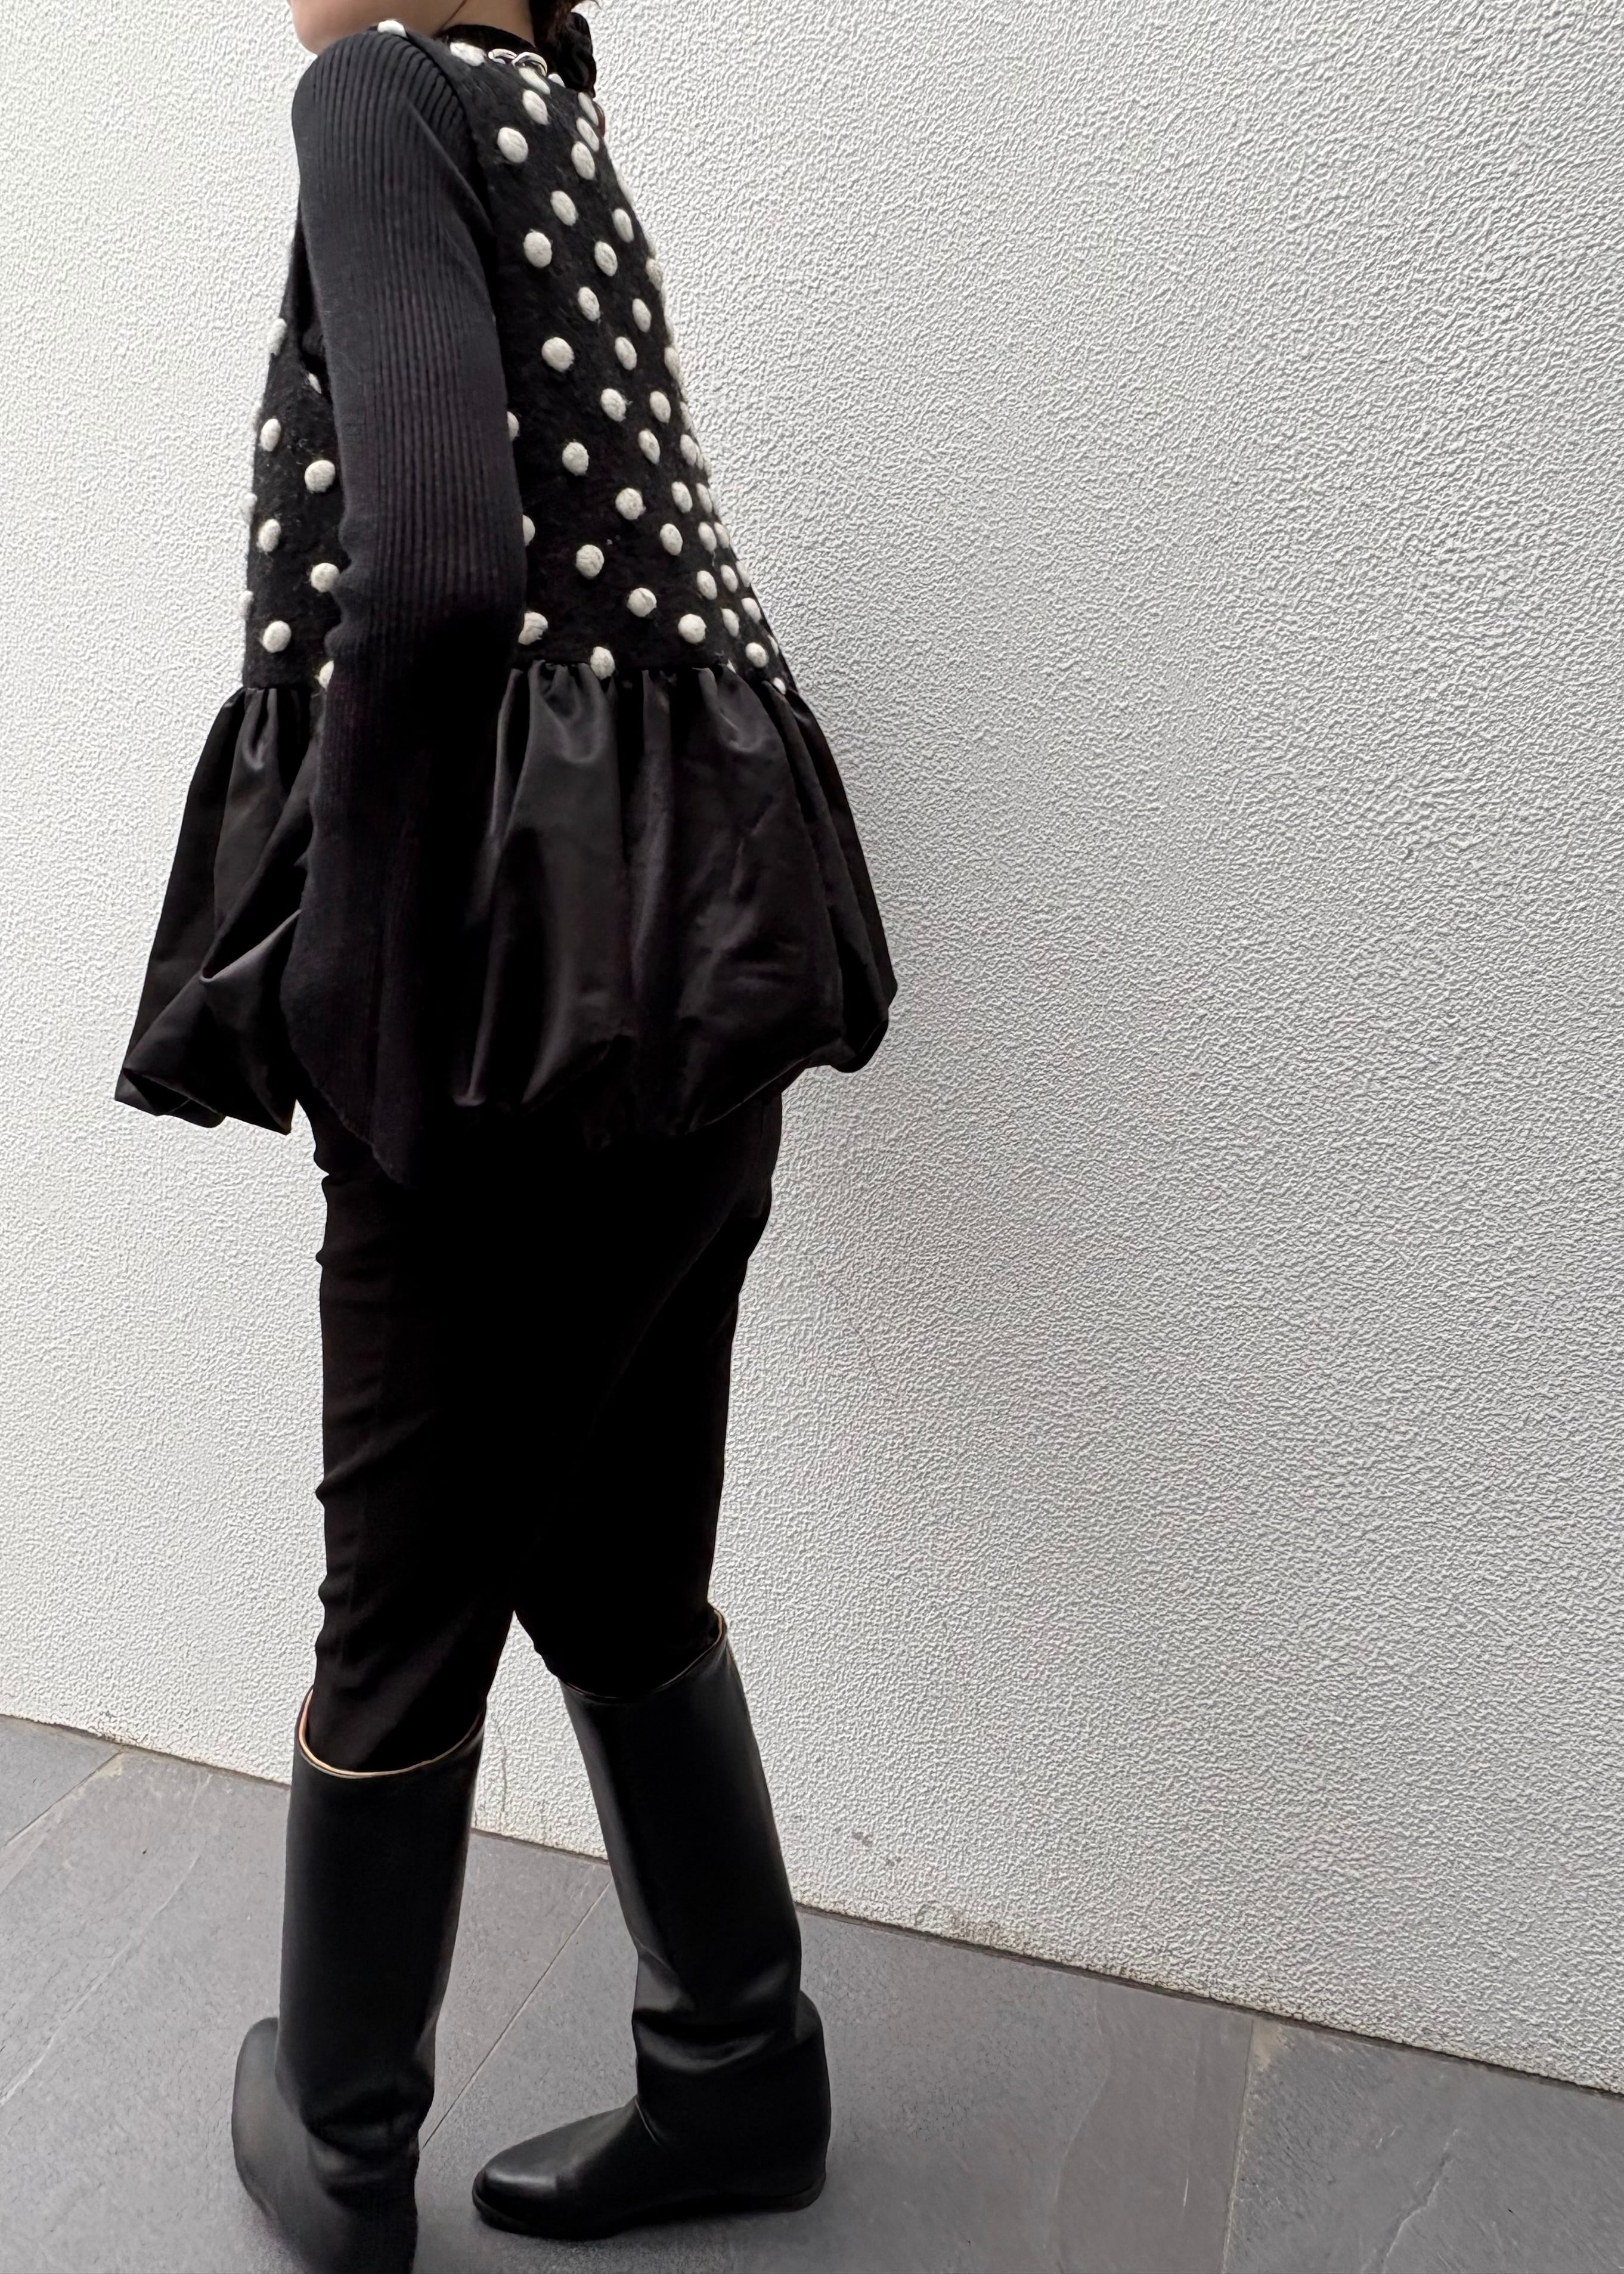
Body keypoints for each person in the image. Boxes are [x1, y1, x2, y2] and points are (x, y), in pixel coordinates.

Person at [114, 2, 895, 2266]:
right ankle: (739, 2072)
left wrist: (358, 977)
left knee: (400, 1607)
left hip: (500, 1001)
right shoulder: (552, 120)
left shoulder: (378, 92)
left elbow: (442, 569)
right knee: (624, 1569)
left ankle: (338, 2140)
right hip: (694, 953)